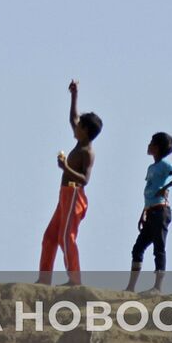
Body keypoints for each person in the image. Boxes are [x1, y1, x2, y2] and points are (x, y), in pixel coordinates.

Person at [38, 81, 101, 285]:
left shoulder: (87, 152)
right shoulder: (79, 141)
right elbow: (73, 117)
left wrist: (66, 169)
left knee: (66, 238)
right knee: (50, 237)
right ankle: (44, 278)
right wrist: (74, 95)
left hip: (75, 196)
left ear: (85, 131)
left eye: (79, 126)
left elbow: (85, 180)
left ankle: (75, 280)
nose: (75, 126)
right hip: (64, 195)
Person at [126, 132, 172, 293]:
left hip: (161, 211)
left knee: (159, 248)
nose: (148, 145)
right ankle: (131, 286)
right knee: (138, 248)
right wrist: (143, 212)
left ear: (157, 148)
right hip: (151, 211)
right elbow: (150, 192)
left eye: (151, 142)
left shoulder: (164, 165)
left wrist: (166, 188)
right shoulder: (152, 167)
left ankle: (158, 287)